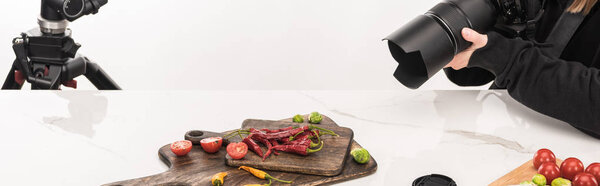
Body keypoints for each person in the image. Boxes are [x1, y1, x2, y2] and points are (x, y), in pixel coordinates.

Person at [444, 0, 600, 138]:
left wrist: (504, 58)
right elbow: (469, 74)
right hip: (508, 134)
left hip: (568, 152)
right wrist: (464, 29)